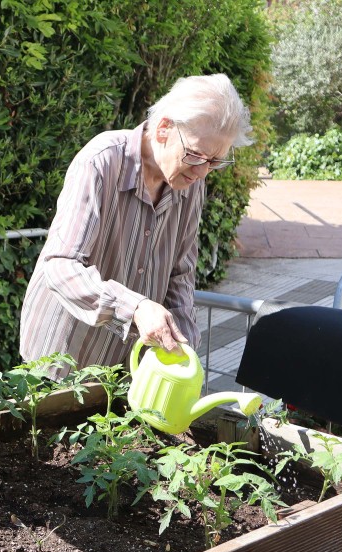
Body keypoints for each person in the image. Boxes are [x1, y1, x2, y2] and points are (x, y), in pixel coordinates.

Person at [20, 73, 253, 377]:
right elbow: (61, 265)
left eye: (215, 161)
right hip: (61, 358)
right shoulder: (101, 161)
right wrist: (136, 308)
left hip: (126, 367)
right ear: (164, 129)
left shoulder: (191, 183)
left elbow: (180, 274)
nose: (202, 172)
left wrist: (186, 351)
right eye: (195, 155)